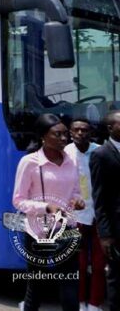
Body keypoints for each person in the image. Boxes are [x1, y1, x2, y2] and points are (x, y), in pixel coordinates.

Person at [13, 113, 85, 311]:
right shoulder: (30, 162)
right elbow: (18, 200)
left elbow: (76, 191)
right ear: (43, 136)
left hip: (68, 230)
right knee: (36, 286)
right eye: (57, 134)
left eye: (65, 134)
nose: (64, 139)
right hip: (38, 232)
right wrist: (45, 207)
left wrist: (77, 200)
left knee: (70, 284)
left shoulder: (72, 160)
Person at [64, 118, 104, 311]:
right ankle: (80, 303)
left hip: (98, 215)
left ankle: (95, 304)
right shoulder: (64, 153)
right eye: (76, 130)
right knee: (77, 264)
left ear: (91, 133)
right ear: (70, 133)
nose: (80, 133)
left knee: (98, 265)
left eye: (84, 130)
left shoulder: (100, 151)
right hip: (74, 217)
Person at [91, 110, 120, 311]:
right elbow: (99, 199)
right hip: (116, 227)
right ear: (110, 128)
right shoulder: (101, 155)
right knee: (116, 276)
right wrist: (105, 235)